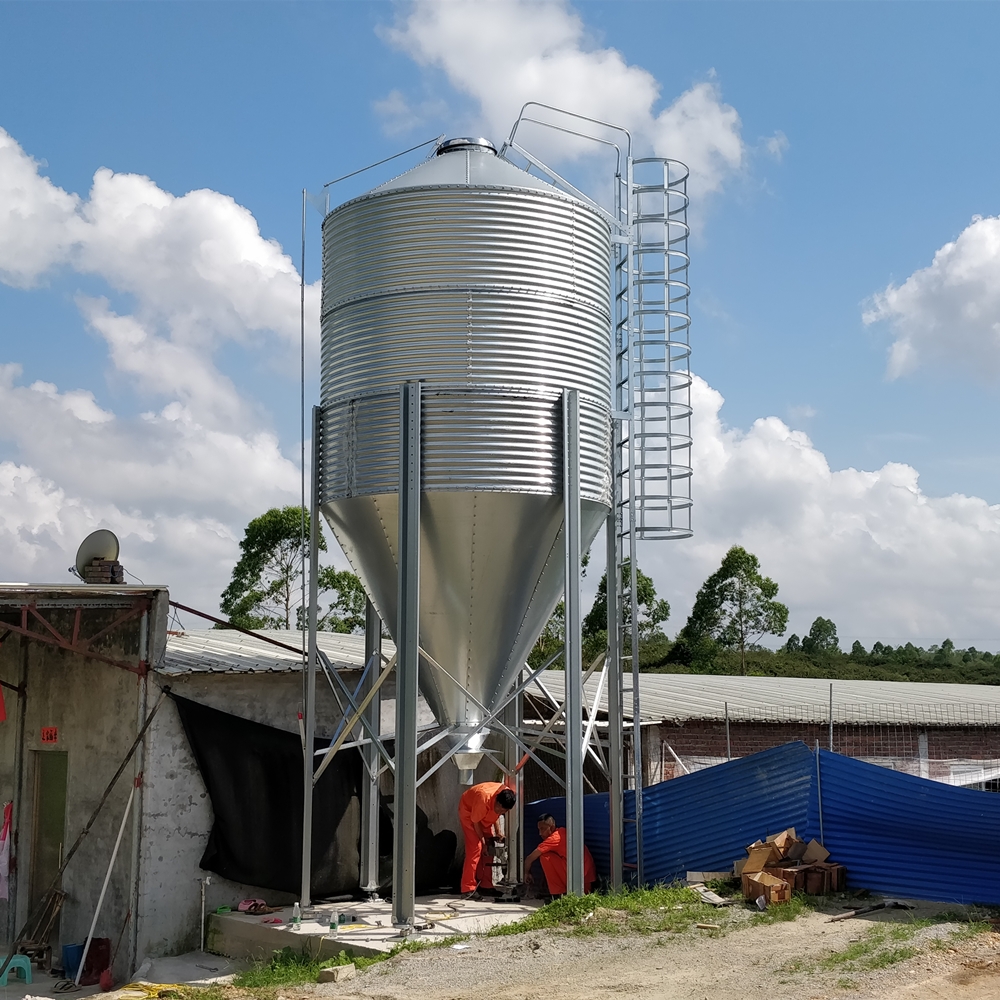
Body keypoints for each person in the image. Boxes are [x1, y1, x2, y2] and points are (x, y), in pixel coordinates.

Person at [458, 781, 516, 895]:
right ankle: (467, 887)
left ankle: (486, 885)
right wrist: (483, 842)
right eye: (500, 809)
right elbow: (476, 822)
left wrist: (498, 832)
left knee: (489, 848)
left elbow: (496, 815)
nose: (500, 812)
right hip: (469, 814)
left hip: (483, 816)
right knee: (476, 848)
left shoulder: (505, 794)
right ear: (496, 801)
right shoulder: (483, 798)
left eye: (504, 811)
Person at [524, 813, 596, 897]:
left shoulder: (553, 839)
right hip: (586, 877)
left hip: (580, 879)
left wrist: (526, 873)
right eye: (539, 829)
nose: (540, 833)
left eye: (542, 829)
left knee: (545, 857)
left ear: (551, 827)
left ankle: (558, 893)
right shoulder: (562, 831)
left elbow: (530, 858)